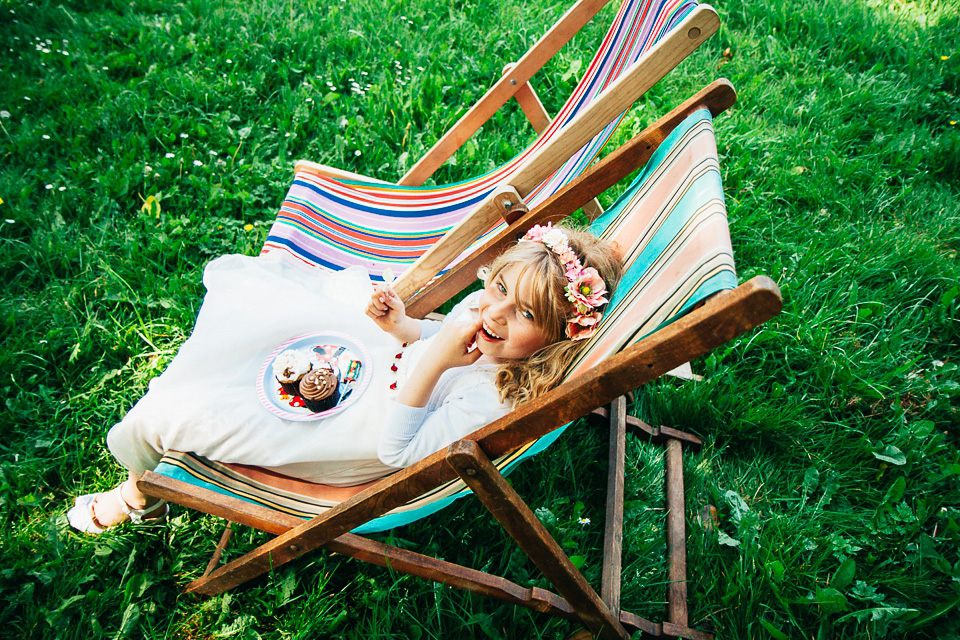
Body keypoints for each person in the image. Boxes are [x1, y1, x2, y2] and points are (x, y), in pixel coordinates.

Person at [67, 224, 622, 533]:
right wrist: (404, 326)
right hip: (374, 382)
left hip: (356, 441)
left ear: (555, 336)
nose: (496, 313)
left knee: (191, 417)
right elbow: (428, 342)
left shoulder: (497, 396)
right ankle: (162, 459)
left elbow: (399, 452)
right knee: (270, 326)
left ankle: (142, 491)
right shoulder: (488, 326)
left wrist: (433, 359)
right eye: (499, 289)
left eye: (526, 313)